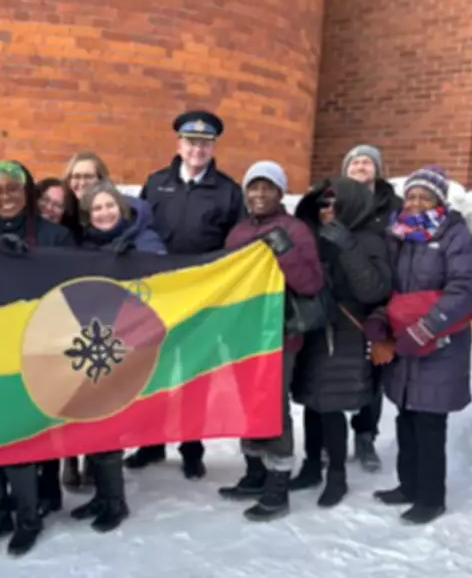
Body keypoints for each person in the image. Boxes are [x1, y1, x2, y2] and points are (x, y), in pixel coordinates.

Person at [0, 160, 73, 556]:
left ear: (27, 193)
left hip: (33, 352)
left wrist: (28, 264)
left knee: (19, 437)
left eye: (13, 188)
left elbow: (72, 288)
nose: (6, 196)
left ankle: (28, 517)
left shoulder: (55, 235)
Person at [128, 109, 243, 480]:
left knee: (195, 376)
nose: (198, 149)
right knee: (154, 372)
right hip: (160, 298)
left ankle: (192, 449)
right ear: (179, 144)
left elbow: (236, 245)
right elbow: (139, 229)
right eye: (192, 142)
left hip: (202, 300)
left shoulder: (228, 191)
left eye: (205, 143)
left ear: (213, 147)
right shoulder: (156, 183)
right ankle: (150, 444)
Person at [365, 167, 472, 525]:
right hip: (403, 342)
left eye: (424, 197)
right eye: (411, 195)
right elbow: (389, 287)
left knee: (429, 421)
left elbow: (464, 289)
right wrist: (380, 320)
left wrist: (426, 328)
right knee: (406, 414)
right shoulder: (398, 235)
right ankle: (408, 486)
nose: (415, 202)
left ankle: (431, 499)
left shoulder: (454, 235)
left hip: (440, 345)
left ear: (439, 202)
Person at [219, 161, 324, 521]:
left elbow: (310, 283)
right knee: (247, 405)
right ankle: (255, 472)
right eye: (254, 187)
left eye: (268, 188)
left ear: (280, 193)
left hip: (279, 335)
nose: (260, 194)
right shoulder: (238, 232)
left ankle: (278, 483)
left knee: (272, 407)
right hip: (243, 335)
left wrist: (285, 250)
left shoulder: (295, 230)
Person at [68, 181, 165, 533]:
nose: (104, 213)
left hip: (130, 343)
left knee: (109, 423)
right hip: (95, 340)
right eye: (96, 208)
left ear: (121, 208)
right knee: (94, 420)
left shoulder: (144, 239)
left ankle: (115, 501)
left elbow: (165, 280)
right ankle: (102, 495)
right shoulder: (85, 247)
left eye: (110, 206)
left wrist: (136, 261)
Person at [290, 177, 393, 508]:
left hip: (345, 330)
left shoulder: (369, 238)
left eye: (334, 204)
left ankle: (337, 474)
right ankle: (311, 466)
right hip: (311, 326)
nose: (327, 210)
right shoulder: (311, 234)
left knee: (332, 404)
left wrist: (348, 248)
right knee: (311, 400)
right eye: (322, 204)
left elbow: (373, 290)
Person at [342, 144, 403, 473]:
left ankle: (365, 436)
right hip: (339, 297)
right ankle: (329, 438)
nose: (360, 166)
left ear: (378, 170)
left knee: (373, 368)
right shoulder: (332, 200)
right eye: (354, 161)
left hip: (379, 296)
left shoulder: (393, 206)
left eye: (367, 161)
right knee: (331, 368)